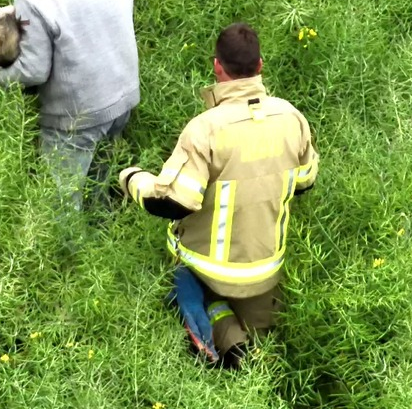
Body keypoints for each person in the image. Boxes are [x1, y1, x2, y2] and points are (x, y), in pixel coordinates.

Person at [118, 23, 318, 368]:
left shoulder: (206, 128)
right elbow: (305, 182)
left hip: (209, 267)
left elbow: (172, 203)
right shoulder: (291, 118)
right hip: (268, 268)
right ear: (260, 66)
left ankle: (222, 336)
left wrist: (131, 178)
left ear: (216, 66)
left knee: (185, 279)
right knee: (264, 345)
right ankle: (249, 353)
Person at [0, 0, 140, 221]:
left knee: (61, 206)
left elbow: (32, 71)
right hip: (122, 99)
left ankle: (69, 263)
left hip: (77, 118)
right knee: (99, 188)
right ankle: (102, 247)